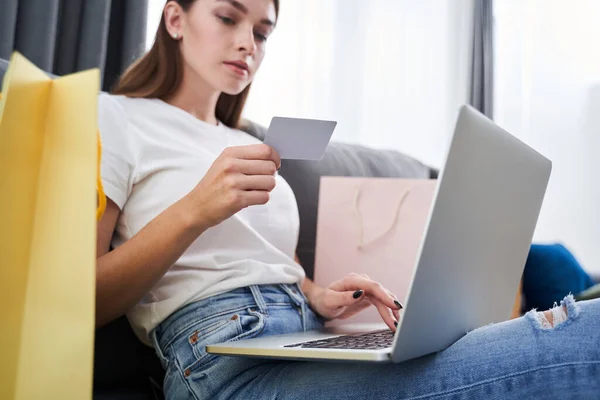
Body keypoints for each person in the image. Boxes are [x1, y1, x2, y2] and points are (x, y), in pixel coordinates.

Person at [96, 0, 600, 398]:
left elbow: (271, 261)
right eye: (228, 17)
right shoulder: (115, 117)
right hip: (221, 364)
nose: (246, 43)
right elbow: (84, 299)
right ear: (175, 19)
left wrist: (318, 294)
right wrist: (193, 210)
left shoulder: (246, 139)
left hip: (304, 337)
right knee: (578, 333)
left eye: (262, 32)